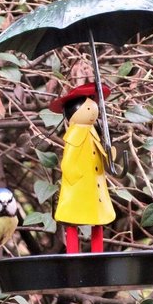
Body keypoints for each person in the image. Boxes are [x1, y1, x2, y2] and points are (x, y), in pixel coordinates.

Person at [49, 83, 115, 253]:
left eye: (93, 109)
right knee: (72, 220)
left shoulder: (93, 131)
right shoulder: (75, 134)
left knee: (97, 218)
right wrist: (74, 175)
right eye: (88, 109)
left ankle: (97, 252)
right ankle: (73, 252)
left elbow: (100, 155)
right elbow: (68, 161)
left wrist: (109, 153)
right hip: (79, 185)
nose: (93, 113)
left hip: (94, 185)